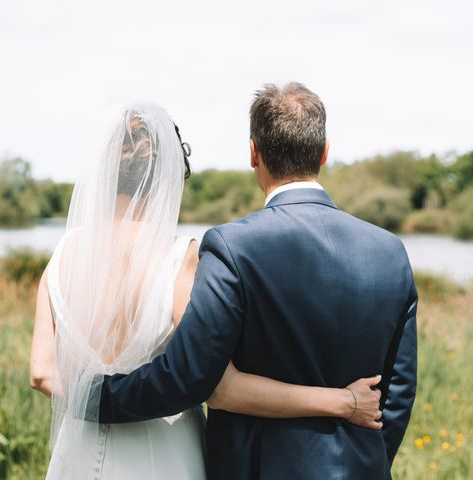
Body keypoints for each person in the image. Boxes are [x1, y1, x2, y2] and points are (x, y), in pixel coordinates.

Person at [29, 102, 384, 479]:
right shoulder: (182, 258)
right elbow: (221, 387)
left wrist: (92, 399)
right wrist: (343, 401)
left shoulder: (65, 254)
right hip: (163, 454)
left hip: (77, 454)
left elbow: (41, 374)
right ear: (168, 177)